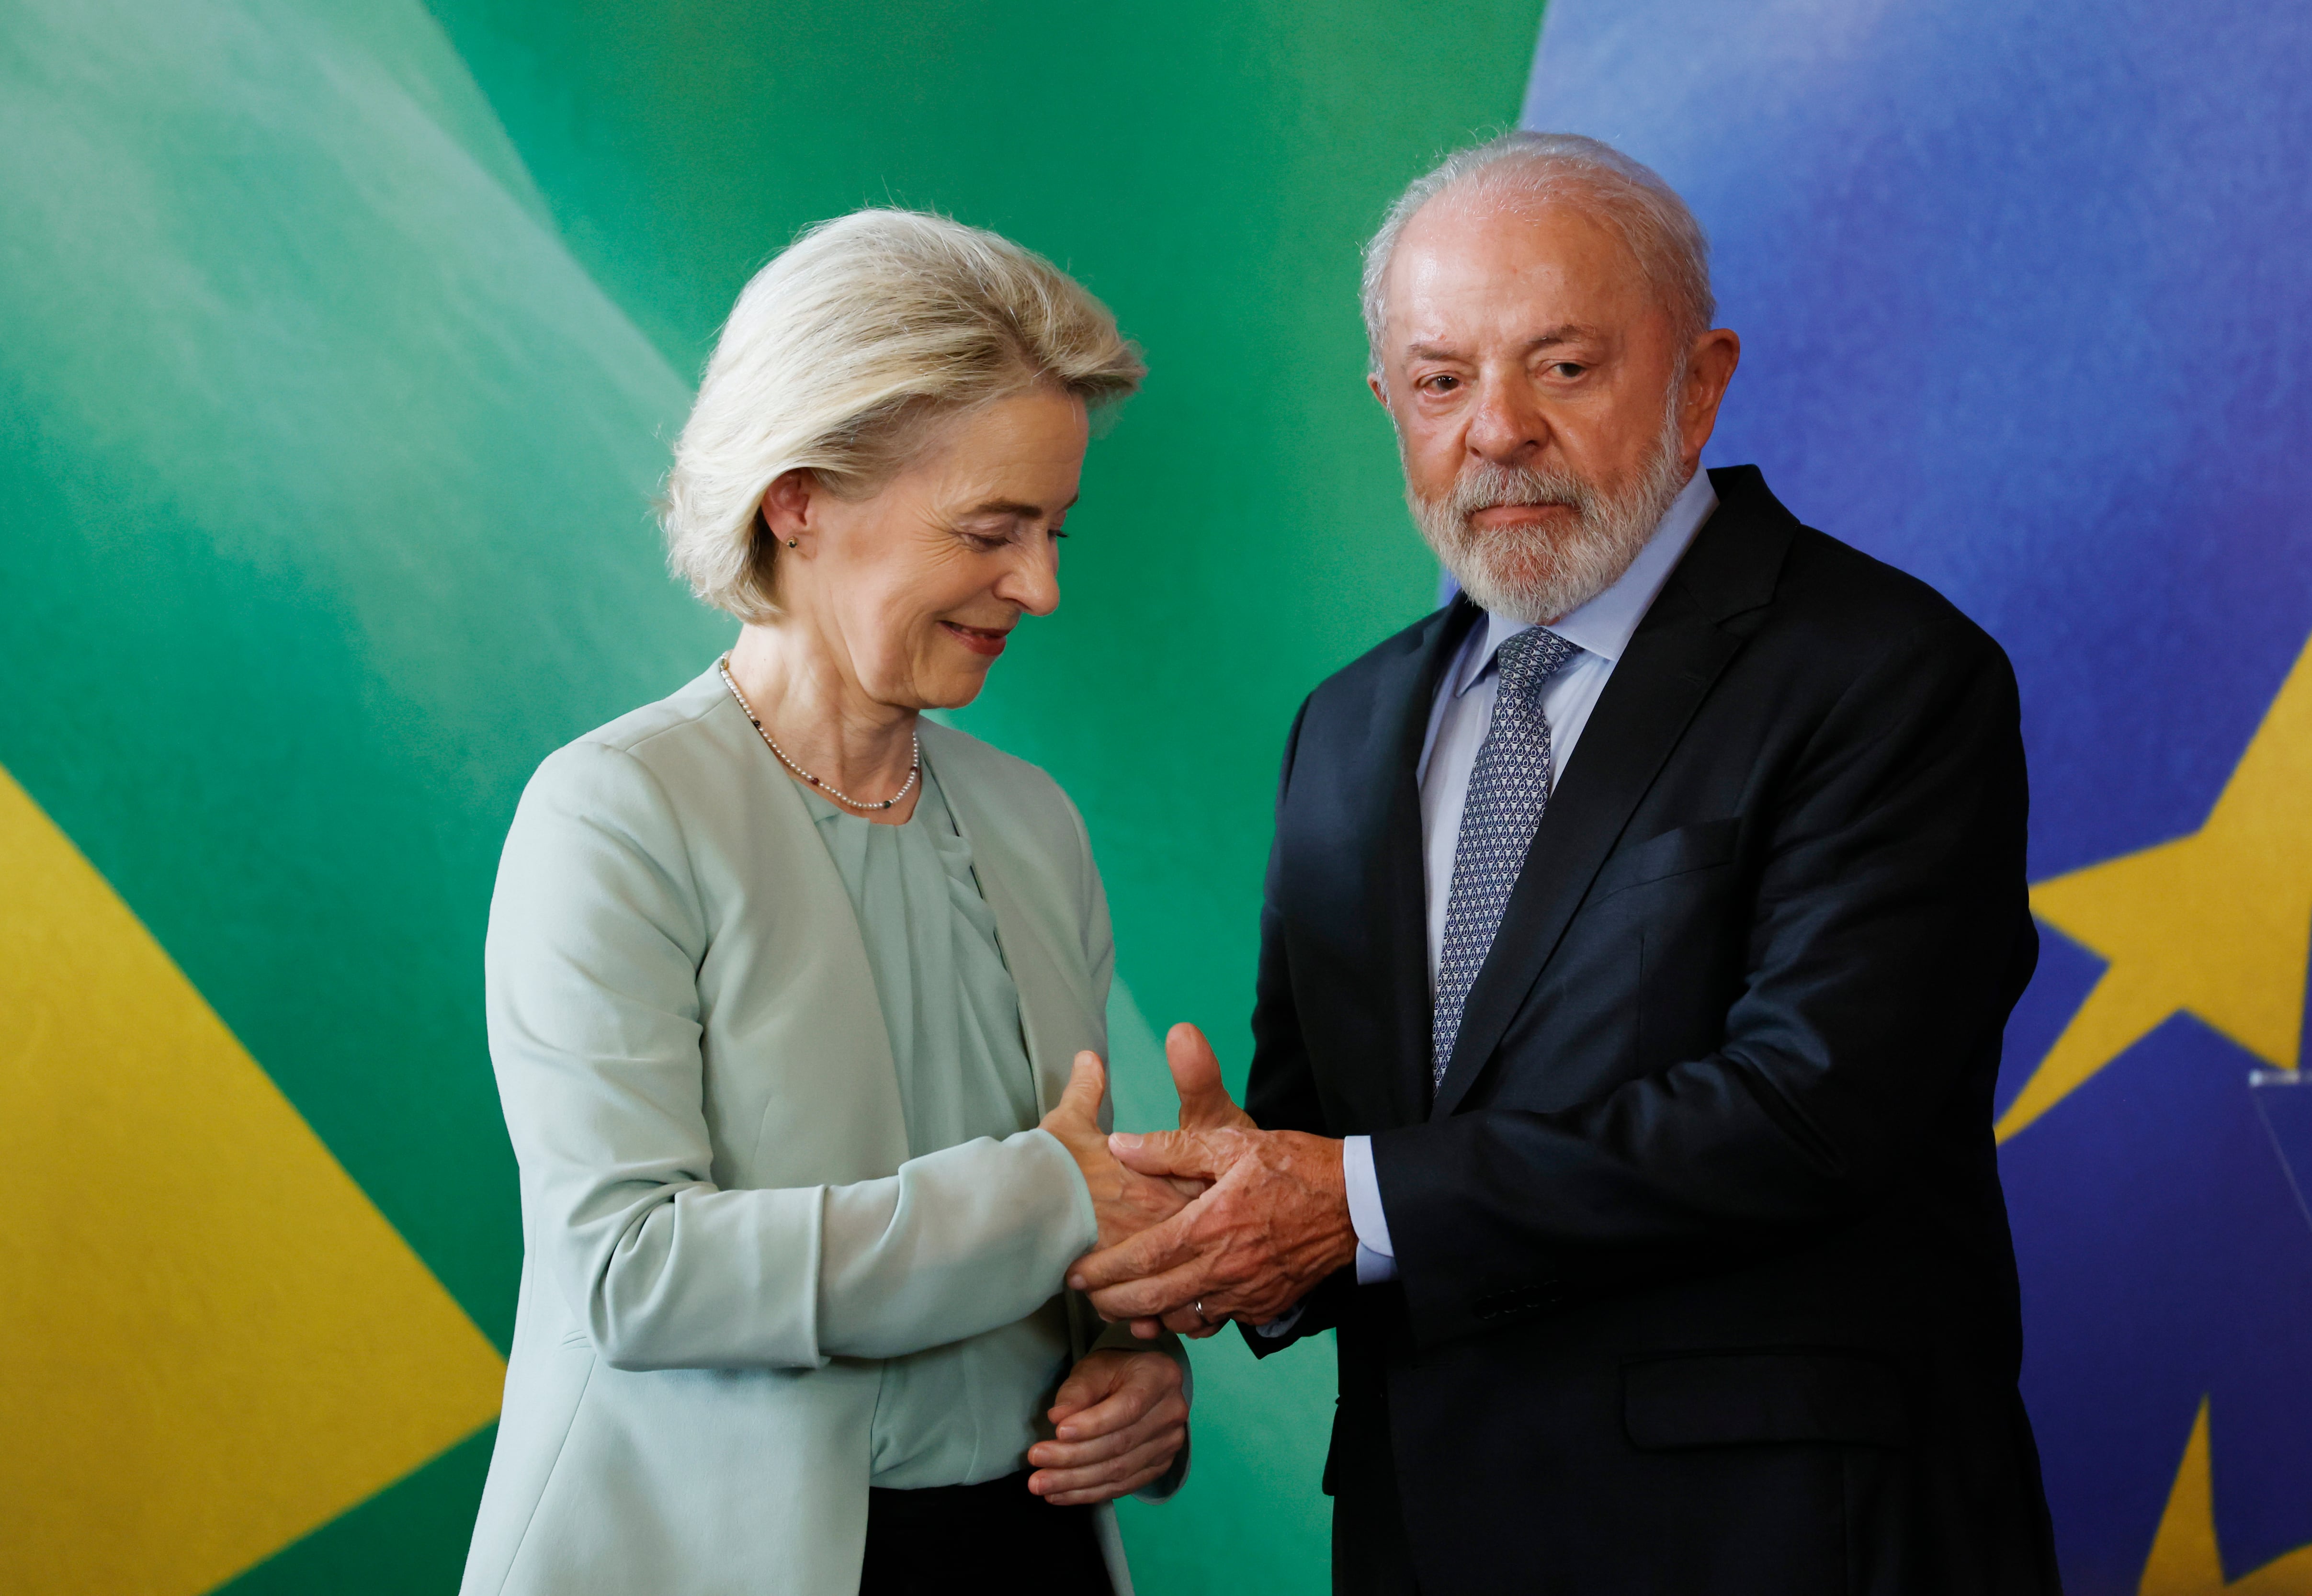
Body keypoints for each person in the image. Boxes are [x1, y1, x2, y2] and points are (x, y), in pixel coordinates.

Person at [1070, 133, 2062, 1593]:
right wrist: (1196, 1231)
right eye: (1440, 378)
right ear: (1387, 406)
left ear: (1700, 379)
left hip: (1782, 1548)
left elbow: (1812, 1111)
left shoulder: (1890, 675)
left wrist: (1342, 1202)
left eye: (1566, 367)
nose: (1498, 429)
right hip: (1424, 1539)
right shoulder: (1346, 729)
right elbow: (1323, 1143)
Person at [461, 210, 1195, 1596]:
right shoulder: (613, 813)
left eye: (1051, 528)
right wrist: (1053, 1196)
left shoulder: (1036, 822)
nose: (1040, 585)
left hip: (1030, 1559)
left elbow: (1076, 1247)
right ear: (798, 499)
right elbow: (632, 1273)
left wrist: (1142, 1375)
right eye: (993, 527)